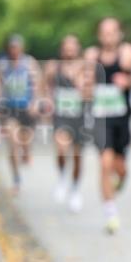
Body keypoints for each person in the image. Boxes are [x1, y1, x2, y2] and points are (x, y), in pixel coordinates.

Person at [85, 17, 131, 234]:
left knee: (120, 168)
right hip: (101, 120)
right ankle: (110, 214)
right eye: (104, 32)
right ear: (99, 35)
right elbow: (80, 83)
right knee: (104, 164)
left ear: (119, 34)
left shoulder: (129, 53)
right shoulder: (92, 56)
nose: (108, 36)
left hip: (122, 120)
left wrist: (129, 81)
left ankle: (121, 180)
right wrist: (88, 87)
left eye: (112, 32)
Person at [43, 34, 93, 212]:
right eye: (67, 46)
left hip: (79, 117)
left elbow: (92, 91)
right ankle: (62, 177)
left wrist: (84, 88)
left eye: (73, 46)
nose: (70, 50)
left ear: (78, 48)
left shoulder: (85, 68)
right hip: (61, 115)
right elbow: (44, 86)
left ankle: (76, 189)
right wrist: (47, 100)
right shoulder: (53, 67)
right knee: (61, 150)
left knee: (78, 157)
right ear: (62, 49)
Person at [0, 35, 41, 194]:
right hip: (10, 109)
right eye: (11, 47)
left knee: (25, 141)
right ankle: (16, 180)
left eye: (17, 47)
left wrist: (35, 102)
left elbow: (38, 84)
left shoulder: (30, 62)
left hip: (27, 109)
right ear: (8, 49)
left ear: (21, 48)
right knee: (12, 144)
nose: (14, 50)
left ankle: (26, 151)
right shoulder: (3, 65)